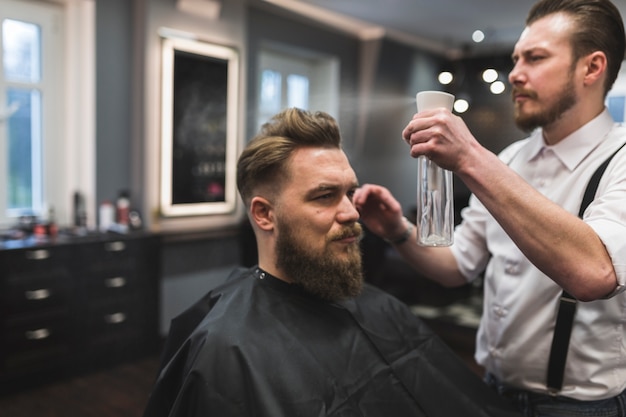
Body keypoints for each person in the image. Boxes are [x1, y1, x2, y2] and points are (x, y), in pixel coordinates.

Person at [142, 108, 520, 417]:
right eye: (324, 196)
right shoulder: (225, 350)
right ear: (264, 214)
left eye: (349, 193)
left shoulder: (379, 307)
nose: (351, 212)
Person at [354, 0, 626, 416]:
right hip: (489, 388)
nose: (515, 73)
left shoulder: (621, 158)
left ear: (591, 68)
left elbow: (596, 272)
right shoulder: (511, 159)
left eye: (535, 58)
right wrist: (396, 229)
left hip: (578, 407)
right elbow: (457, 265)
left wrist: (469, 158)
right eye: (516, 58)